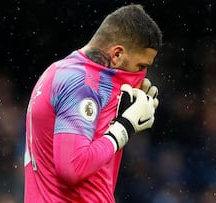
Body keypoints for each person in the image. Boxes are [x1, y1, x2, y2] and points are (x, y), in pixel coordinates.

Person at [23, 4, 163, 203]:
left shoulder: (63, 71)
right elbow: (72, 168)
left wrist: (116, 119)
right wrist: (124, 127)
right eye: (140, 66)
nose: (142, 75)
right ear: (117, 55)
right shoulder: (82, 84)